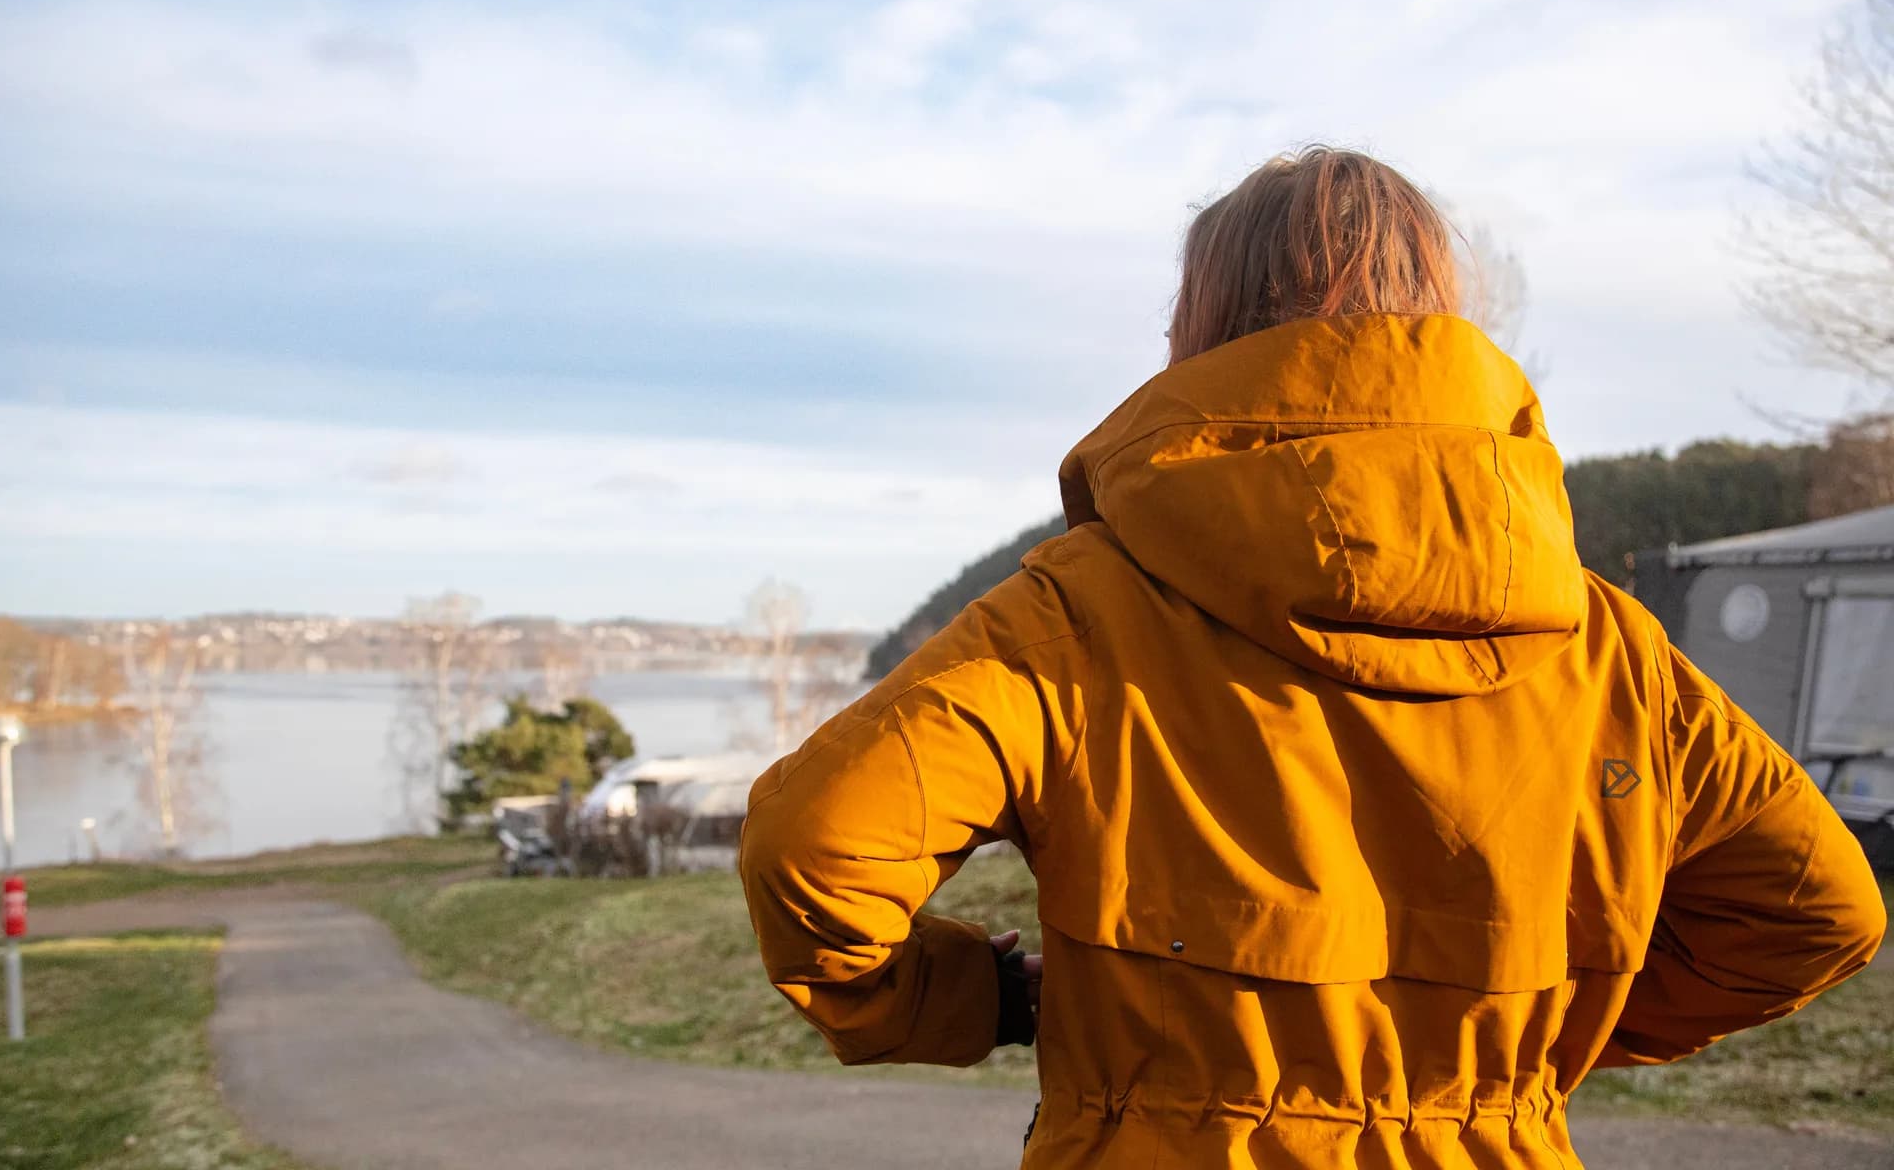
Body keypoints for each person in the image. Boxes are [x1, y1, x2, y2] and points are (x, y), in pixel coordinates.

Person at [737, 146, 1886, 1168]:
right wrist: (1528, 1040)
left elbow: (816, 843)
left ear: (1203, 327)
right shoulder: (1616, 650)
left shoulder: (1083, 611)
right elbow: (1818, 907)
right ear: (1439, 316)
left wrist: (971, 998)